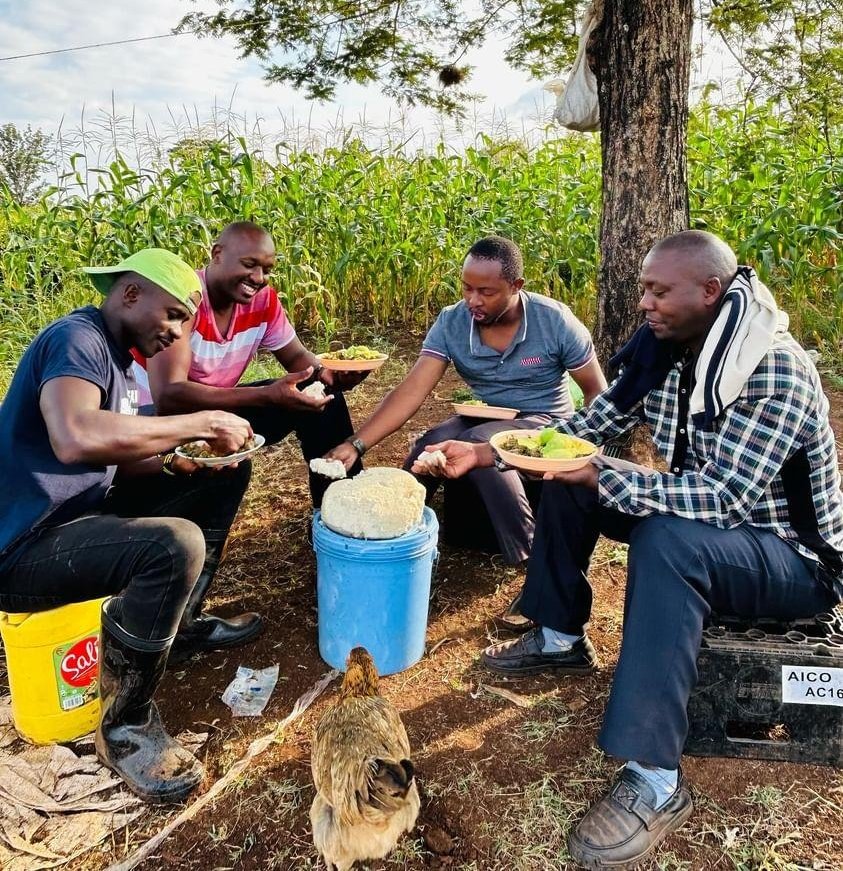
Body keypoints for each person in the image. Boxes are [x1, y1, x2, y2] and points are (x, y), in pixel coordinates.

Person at [411, 230, 843, 868]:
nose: (645, 303)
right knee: (563, 471)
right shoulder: (665, 348)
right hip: (714, 526)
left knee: (666, 540)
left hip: (790, 558)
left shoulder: (771, 367)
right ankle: (559, 637)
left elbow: (724, 499)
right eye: (644, 289)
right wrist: (490, 452)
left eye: (659, 291)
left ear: (710, 291)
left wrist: (601, 475)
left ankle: (656, 778)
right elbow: (588, 427)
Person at [0, 248, 261, 803]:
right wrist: (199, 421)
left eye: (185, 322)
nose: (177, 333)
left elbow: (114, 456)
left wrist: (175, 461)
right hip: (23, 544)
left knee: (223, 477)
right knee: (172, 546)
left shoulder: (120, 363)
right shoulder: (77, 339)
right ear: (131, 293)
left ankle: (180, 626)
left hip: (77, 516)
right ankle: (124, 727)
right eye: (173, 315)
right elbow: (75, 436)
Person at [327, 235, 606, 574]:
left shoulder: (554, 321)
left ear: (516, 286)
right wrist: (357, 444)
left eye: (486, 292)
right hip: (486, 415)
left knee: (480, 443)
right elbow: (411, 390)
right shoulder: (452, 322)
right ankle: (392, 530)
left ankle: (530, 554)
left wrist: (584, 451)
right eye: (466, 288)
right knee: (431, 444)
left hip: (545, 421)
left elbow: (595, 390)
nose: (473, 300)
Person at [132, 221, 366, 507]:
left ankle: (338, 509)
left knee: (324, 396)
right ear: (217, 254)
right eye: (249, 264)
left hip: (217, 409)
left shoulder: (262, 301)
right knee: (226, 465)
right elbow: (168, 396)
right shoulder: (186, 297)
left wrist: (326, 374)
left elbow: (297, 359)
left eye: (267, 269)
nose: (258, 277)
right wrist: (266, 395)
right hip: (157, 421)